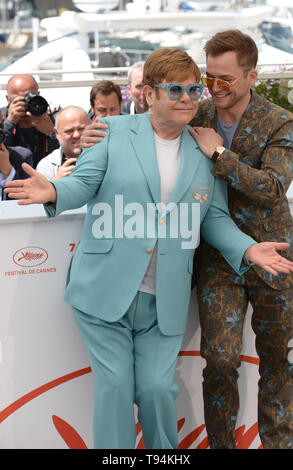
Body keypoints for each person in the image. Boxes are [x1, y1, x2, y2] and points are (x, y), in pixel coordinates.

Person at [5, 48, 293, 450]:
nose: (188, 97)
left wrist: (249, 250)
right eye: (175, 89)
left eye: (194, 89)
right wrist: (53, 188)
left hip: (165, 298)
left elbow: (212, 218)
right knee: (116, 387)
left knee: (158, 391)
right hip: (104, 290)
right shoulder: (113, 132)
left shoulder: (205, 150)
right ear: (150, 95)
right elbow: (82, 185)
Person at [188, 29, 293, 449]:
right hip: (218, 258)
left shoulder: (279, 121)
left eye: (224, 79)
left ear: (251, 76)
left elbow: (272, 187)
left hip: (274, 257)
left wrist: (219, 155)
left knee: (276, 363)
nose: (214, 88)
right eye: (208, 77)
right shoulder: (195, 117)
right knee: (220, 360)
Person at [1, 74, 59, 169]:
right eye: (17, 99)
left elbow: (69, 151)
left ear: (38, 95)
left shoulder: (55, 119)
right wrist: (10, 122)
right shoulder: (1, 118)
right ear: (8, 99)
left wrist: (52, 133)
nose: (25, 104)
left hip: (48, 177)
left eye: (29, 98)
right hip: (9, 178)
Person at [36, 106, 90, 181]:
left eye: (81, 129)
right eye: (69, 131)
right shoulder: (47, 166)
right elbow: (41, 192)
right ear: (57, 133)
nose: (76, 135)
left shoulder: (105, 159)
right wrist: (56, 183)